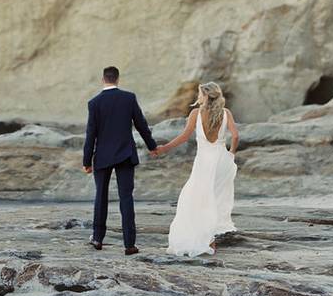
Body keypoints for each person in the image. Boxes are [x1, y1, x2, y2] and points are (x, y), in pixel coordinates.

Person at [156, 81, 239, 255]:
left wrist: (165, 148)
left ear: (207, 95)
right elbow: (236, 135)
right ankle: (210, 238)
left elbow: (184, 136)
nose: (198, 97)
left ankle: (208, 240)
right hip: (221, 159)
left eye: (200, 93)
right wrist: (231, 153)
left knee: (195, 199)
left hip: (204, 162)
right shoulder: (226, 113)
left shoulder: (196, 113)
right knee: (214, 198)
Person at [82, 65, 158, 255]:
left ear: (103, 79)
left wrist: (86, 161)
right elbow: (141, 125)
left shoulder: (94, 103)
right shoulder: (129, 98)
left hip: (102, 156)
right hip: (125, 154)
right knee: (126, 198)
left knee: (101, 196)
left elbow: (91, 134)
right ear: (117, 79)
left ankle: (98, 239)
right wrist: (152, 146)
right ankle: (129, 244)